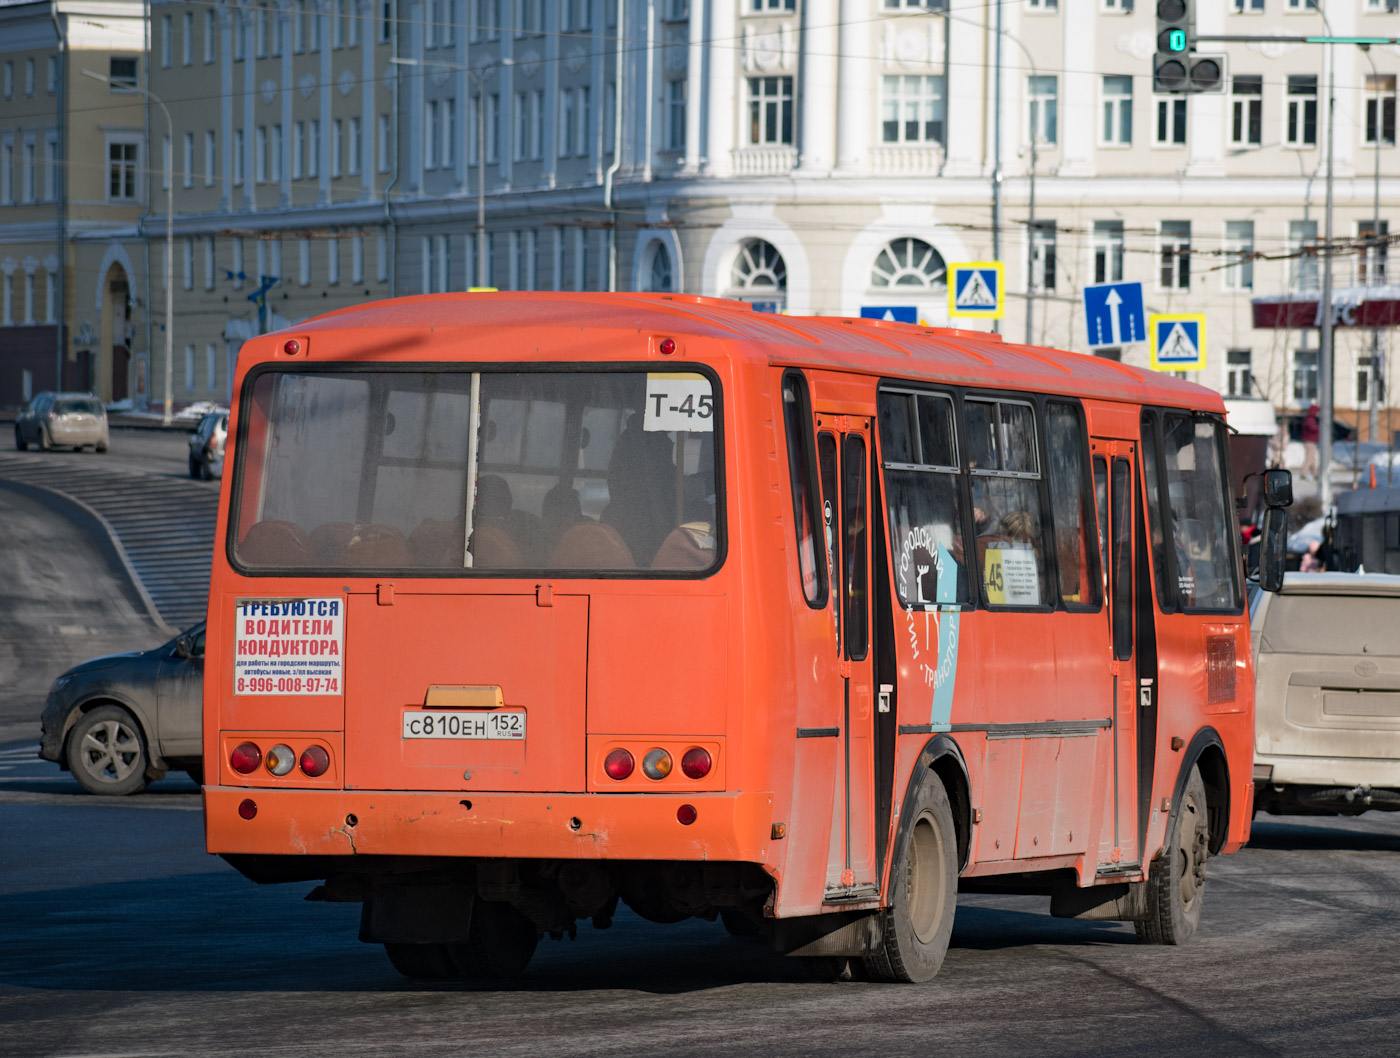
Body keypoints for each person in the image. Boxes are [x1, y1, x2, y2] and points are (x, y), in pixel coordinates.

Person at [1301, 403, 1320, 480]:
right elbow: (1312, 428)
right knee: (1309, 458)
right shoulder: (1310, 419)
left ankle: (1316, 474)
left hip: (1310, 441)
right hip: (1309, 441)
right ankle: (1303, 474)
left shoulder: (1310, 418)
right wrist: (1319, 427)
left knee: (1312, 459)